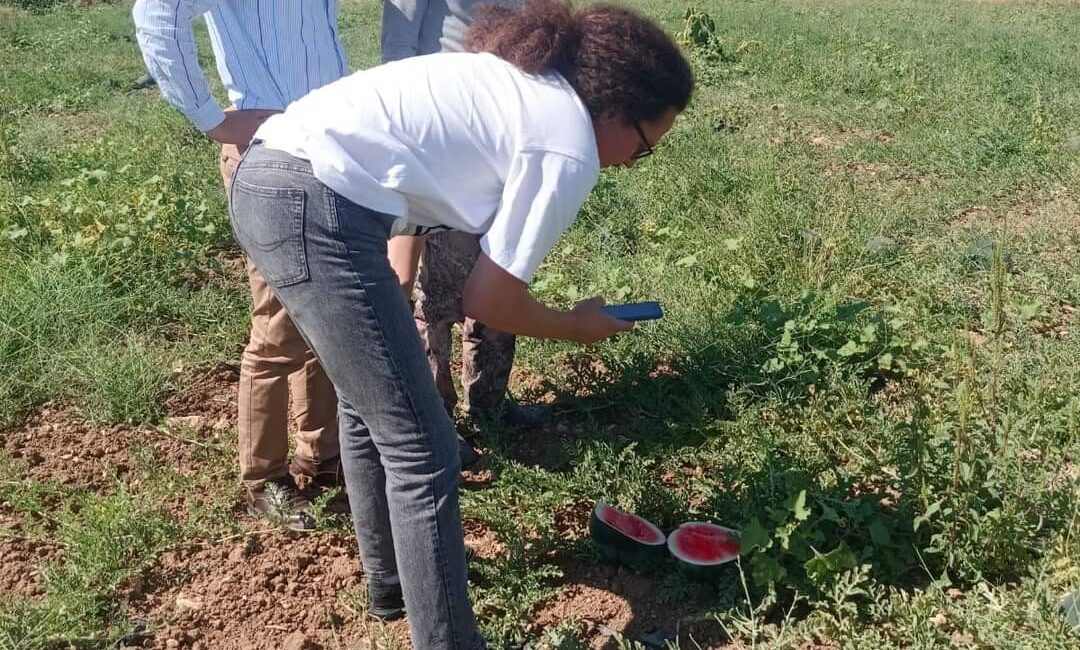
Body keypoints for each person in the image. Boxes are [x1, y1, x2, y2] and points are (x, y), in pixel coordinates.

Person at [228, 0, 693, 646]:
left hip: (280, 179)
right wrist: (575, 324)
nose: (633, 165)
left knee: (371, 406)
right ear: (615, 110)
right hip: (314, 204)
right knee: (425, 449)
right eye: (643, 150)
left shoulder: (527, 84)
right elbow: (488, 300)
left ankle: (392, 587)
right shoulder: (567, 141)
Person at [132, 0, 348, 531]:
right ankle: (265, 477)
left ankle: (321, 455)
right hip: (272, 153)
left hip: (332, 149)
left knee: (326, 312)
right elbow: (158, 13)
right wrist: (210, 119)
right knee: (277, 326)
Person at [381, 0, 553, 431]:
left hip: (510, 126)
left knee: (503, 269)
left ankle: (489, 403)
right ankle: (433, 413)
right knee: (436, 291)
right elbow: (398, 45)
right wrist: (414, 128)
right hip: (446, 131)